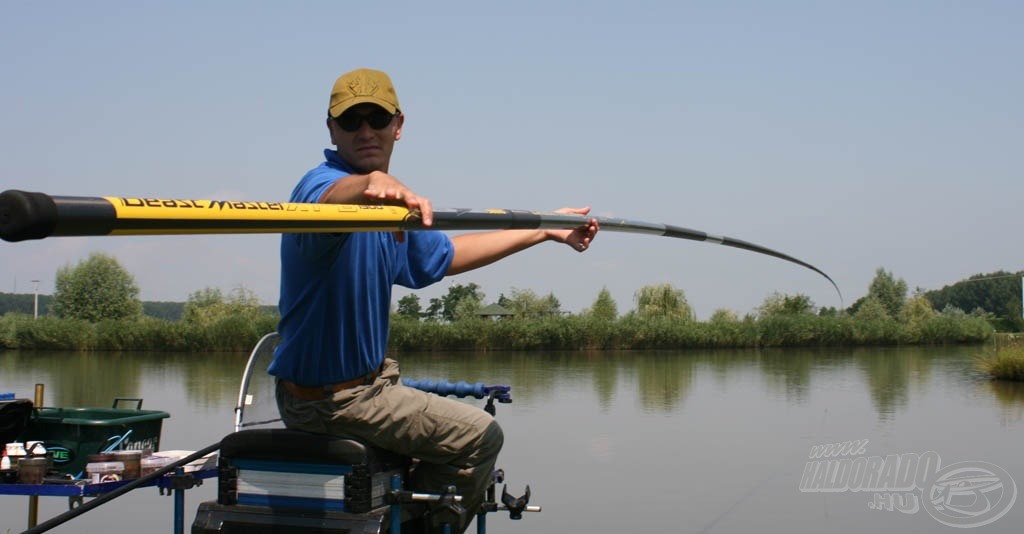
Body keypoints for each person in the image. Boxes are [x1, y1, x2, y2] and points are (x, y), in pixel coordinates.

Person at [268, 68, 598, 532]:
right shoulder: (319, 188)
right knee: (480, 437)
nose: (365, 131)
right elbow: (329, 201)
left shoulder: (389, 210)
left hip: (367, 389)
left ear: (398, 125)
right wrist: (369, 186)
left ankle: (397, 514)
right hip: (336, 402)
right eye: (351, 121)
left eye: (377, 119)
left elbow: (447, 256)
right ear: (330, 129)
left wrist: (541, 231)